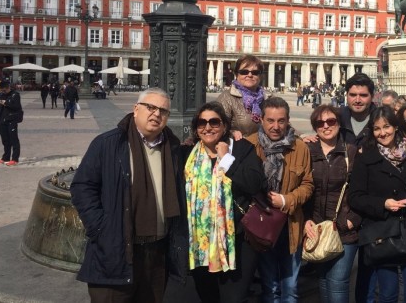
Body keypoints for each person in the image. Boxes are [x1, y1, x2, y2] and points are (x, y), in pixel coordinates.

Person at [70, 88, 181, 303]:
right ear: (136, 109)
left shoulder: (173, 147)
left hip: (157, 253)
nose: (156, 114)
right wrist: (101, 228)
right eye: (150, 107)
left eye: (163, 111)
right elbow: (82, 186)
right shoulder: (109, 143)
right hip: (116, 250)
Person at [173, 102, 267, 303]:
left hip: (237, 238)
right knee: (208, 296)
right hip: (199, 240)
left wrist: (225, 159)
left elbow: (253, 183)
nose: (208, 127)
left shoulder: (241, 149)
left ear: (225, 126)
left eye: (214, 122)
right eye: (201, 123)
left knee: (233, 298)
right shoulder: (186, 154)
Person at [348, 106, 406, 303]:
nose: (382, 133)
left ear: (396, 127)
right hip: (382, 232)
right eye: (377, 128)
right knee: (388, 293)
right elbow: (355, 196)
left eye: (387, 126)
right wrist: (383, 203)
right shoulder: (366, 158)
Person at [246, 97, 313, 303]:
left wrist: (287, 199)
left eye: (281, 121)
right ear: (262, 120)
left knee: (291, 288)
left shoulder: (300, 147)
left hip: (291, 225)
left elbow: (308, 184)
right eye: (271, 121)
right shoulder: (249, 145)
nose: (276, 127)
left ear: (288, 121)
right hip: (262, 225)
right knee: (270, 286)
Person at [303, 104, 360, 303]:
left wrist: (351, 220)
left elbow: (363, 191)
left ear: (339, 123)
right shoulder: (306, 150)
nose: (326, 126)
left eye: (331, 121)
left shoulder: (351, 152)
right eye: (320, 123)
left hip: (345, 230)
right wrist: (305, 220)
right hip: (317, 228)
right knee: (324, 279)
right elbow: (301, 188)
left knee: (337, 282)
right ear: (314, 127)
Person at [217, 54, 269, 140]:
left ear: (260, 76)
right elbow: (217, 126)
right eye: (244, 72)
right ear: (236, 75)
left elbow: (284, 123)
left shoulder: (268, 97)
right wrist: (231, 132)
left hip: (266, 149)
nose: (249, 75)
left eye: (255, 72)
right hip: (241, 148)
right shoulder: (226, 98)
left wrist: (299, 135)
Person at [0, 80, 23, 166]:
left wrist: (6, 103)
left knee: (14, 139)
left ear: (8, 88)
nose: (3, 92)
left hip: (11, 120)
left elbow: (16, 106)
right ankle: (5, 157)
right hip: (1, 121)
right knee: (5, 140)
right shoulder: (1, 95)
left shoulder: (15, 95)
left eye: (4, 90)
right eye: (2, 90)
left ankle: (15, 159)